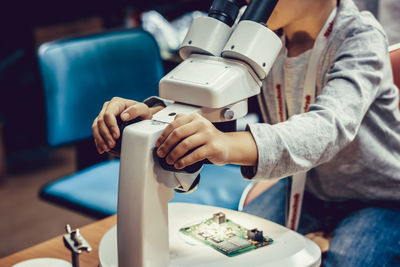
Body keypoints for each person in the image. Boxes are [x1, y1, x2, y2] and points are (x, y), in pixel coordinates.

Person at [92, 0, 400, 265]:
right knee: (232, 253)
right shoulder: (259, 36)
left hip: (380, 196)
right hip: (307, 186)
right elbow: (205, 93)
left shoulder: (360, 37)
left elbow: (328, 127)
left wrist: (225, 144)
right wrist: (153, 116)